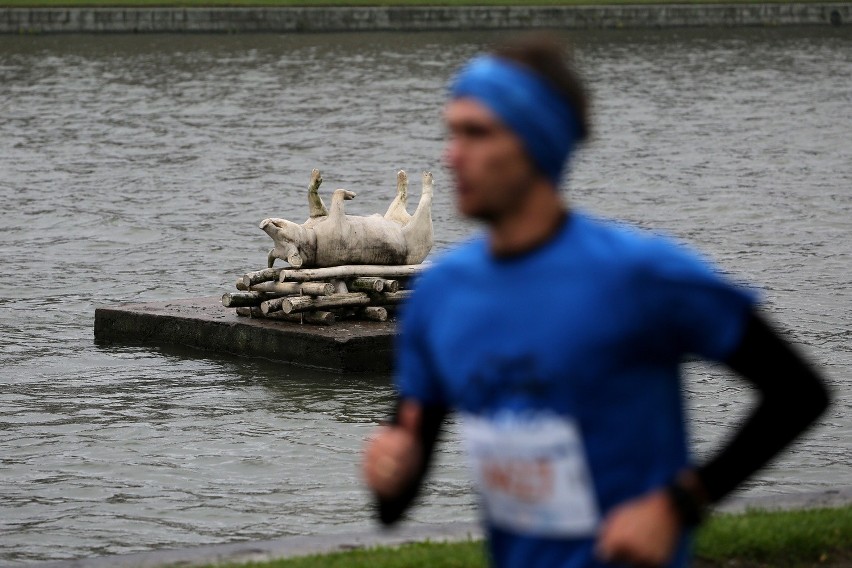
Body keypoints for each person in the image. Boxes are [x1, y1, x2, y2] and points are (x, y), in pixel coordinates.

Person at [361, 34, 830, 568]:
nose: (451, 155)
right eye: (451, 132)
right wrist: (389, 474)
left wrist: (680, 504)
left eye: (477, 133)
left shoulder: (641, 274)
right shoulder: (439, 295)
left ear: (535, 143)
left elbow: (799, 393)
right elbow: (395, 502)